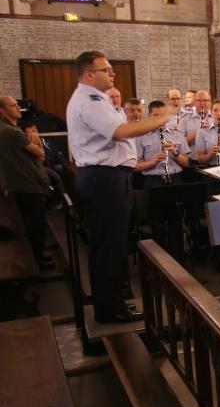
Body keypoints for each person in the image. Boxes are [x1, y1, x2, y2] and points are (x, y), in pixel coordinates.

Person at [66, 51, 174, 323]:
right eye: (107, 70)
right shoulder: (90, 100)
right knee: (109, 245)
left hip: (107, 178)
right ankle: (109, 308)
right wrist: (163, 117)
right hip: (104, 179)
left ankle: (111, 302)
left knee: (111, 243)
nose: (113, 74)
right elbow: (121, 132)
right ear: (89, 74)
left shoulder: (95, 99)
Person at [135, 100, 191, 258]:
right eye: (155, 116)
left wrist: (174, 152)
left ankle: (177, 259)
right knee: (156, 225)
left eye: (162, 116)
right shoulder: (141, 137)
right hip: (153, 183)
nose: (159, 119)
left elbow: (186, 162)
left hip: (174, 181)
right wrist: (153, 162)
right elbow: (135, 166)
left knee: (176, 223)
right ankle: (159, 263)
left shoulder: (177, 135)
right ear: (149, 116)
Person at [0, 96, 51, 266]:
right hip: (28, 184)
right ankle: (36, 261)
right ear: (2, 110)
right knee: (36, 226)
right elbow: (40, 154)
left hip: (17, 184)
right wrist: (36, 140)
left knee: (30, 224)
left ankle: (36, 257)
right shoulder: (13, 132)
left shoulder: (7, 129)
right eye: (13, 106)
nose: (18, 108)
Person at [178, 90, 211, 155]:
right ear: (195, 102)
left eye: (205, 100)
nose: (202, 103)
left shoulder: (216, 118)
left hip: (213, 161)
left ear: (210, 102)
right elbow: (179, 144)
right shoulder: (185, 118)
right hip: (192, 162)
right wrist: (196, 134)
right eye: (199, 100)